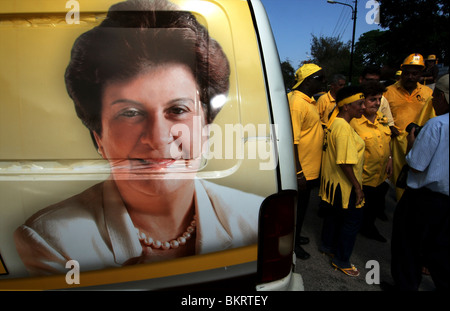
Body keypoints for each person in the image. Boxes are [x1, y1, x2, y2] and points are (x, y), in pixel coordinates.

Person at [14, 0, 263, 276]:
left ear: (206, 128)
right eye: (130, 113)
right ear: (99, 138)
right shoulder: (53, 240)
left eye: (178, 110)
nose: (157, 138)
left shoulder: (256, 218)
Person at [389, 74, 449, 291]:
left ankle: (405, 286)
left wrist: (412, 143)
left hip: (425, 199)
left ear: (441, 97)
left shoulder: (436, 125)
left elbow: (416, 165)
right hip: (446, 202)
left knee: (408, 244)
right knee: (441, 249)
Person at [319, 86, 366, 277]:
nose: (362, 107)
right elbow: (345, 162)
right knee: (351, 222)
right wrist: (358, 188)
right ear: (346, 107)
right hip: (344, 186)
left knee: (334, 216)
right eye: (359, 104)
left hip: (332, 183)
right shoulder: (344, 129)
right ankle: (341, 260)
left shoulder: (335, 123)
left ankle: (327, 245)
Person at [287, 63, 325, 260]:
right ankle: (290, 246)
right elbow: (291, 140)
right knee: (295, 210)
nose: (324, 81)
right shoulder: (297, 103)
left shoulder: (307, 101)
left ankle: (295, 236)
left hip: (308, 168)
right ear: (308, 80)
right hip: (301, 170)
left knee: (301, 210)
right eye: (320, 78)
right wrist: (298, 172)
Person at [383, 53, 433, 200]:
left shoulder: (428, 93)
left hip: (421, 142)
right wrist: (390, 127)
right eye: (407, 73)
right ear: (402, 73)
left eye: (414, 73)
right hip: (397, 143)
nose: (410, 77)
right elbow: (381, 116)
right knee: (399, 179)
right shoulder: (388, 92)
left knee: (418, 178)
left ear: (420, 74)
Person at [350, 81, 392, 242]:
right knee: (355, 212)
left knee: (373, 208)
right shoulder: (354, 122)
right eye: (372, 99)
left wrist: (389, 158)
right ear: (362, 100)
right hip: (362, 178)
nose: (376, 103)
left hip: (380, 176)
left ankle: (368, 228)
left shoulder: (382, 118)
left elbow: (387, 140)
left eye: (379, 99)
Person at [358, 66, 398, 138]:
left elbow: (389, 125)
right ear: (361, 80)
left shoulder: (383, 100)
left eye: (376, 81)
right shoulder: (351, 99)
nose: (377, 103)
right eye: (370, 81)